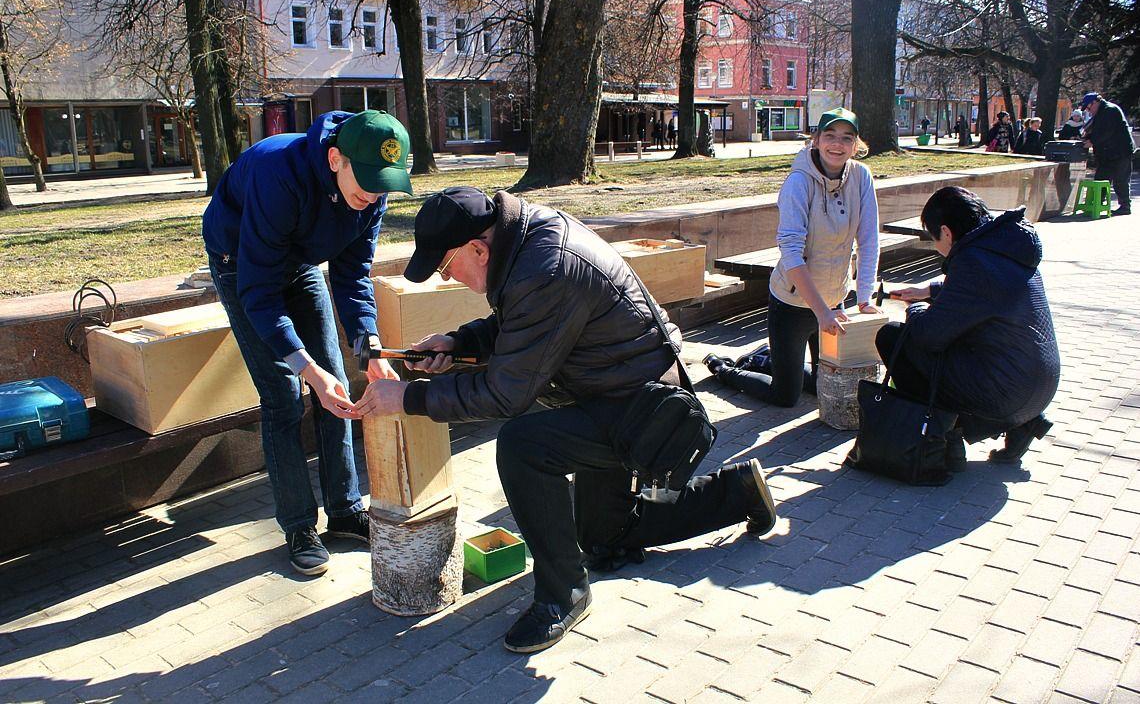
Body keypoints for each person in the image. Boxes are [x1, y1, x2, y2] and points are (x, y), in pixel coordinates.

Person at [350, 186, 779, 653]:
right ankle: (735, 493)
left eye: (446, 267)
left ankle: (563, 595)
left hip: (641, 408)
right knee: (602, 537)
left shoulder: (544, 268)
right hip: (615, 391)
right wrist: (460, 344)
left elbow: (507, 393)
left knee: (523, 446)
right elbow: (529, 324)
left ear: (477, 247)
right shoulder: (527, 239)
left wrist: (409, 397)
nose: (450, 278)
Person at [202, 109, 411, 575]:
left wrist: (370, 349)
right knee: (284, 396)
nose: (374, 197)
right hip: (241, 260)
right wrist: (303, 366)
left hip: (298, 260)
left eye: (383, 186)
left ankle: (344, 510)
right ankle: (299, 525)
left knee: (336, 382)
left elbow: (353, 275)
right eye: (368, 185)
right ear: (335, 158)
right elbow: (258, 291)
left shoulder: (369, 191)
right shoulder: (280, 175)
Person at [703, 108, 880, 406]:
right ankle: (724, 369)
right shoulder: (799, 182)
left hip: (835, 299)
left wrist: (864, 298)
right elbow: (791, 254)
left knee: (829, 382)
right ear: (816, 139)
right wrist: (821, 312)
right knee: (786, 396)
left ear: (855, 144)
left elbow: (868, 240)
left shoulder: (861, 176)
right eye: (830, 136)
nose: (837, 145)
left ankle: (767, 359)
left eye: (846, 138)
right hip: (793, 303)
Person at [878, 186, 1059, 469]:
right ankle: (1023, 424)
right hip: (1038, 386)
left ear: (947, 233)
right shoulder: (1005, 246)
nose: (936, 245)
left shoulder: (972, 263)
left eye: (933, 236)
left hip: (1006, 393)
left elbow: (928, 336)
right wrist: (930, 291)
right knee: (962, 339)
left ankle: (946, 437)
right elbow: (985, 295)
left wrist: (914, 309)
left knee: (893, 338)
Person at [1080, 92, 1135, 216]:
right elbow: (1098, 130)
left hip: (1121, 151)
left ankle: (1125, 206)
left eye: (1088, 107)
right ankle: (1098, 203)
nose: (1089, 111)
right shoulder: (1101, 112)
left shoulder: (1110, 110)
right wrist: (1088, 137)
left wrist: (1092, 141)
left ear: (1095, 102)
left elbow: (1107, 132)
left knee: (1120, 179)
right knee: (1101, 177)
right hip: (1108, 153)